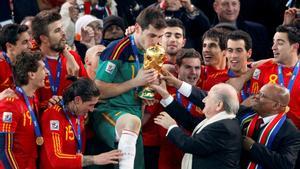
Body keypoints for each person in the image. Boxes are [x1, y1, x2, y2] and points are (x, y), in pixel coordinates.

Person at [90, 6, 166, 169]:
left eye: (160, 37)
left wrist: (147, 93)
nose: (156, 42)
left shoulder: (155, 51)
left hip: (135, 116)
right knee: (131, 123)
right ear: (137, 29)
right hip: (110, 111)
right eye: (152, 35)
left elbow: (147, 85)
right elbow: (98, 90)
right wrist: (135, 82)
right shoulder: (118, 49)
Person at [151, 81, 241, 169]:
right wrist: (166, 96)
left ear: (219, 105)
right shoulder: (221, 121)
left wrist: (172, 126)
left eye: (208, 97)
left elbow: (191, 145)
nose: (203, 100)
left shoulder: (224, 127)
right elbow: (189, 121)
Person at [39, 78, 122, 168]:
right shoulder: (53, 115)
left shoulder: (80, 113)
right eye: (90, 105)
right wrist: (95, 159)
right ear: (77, 100)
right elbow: (55, 159)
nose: (92, 109)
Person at [143, 48, 203, 169]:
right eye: (188, 67)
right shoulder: (162, 89)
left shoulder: (205, 97)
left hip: (194, 158)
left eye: (197, 68)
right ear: (177, 68)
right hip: (166, 158)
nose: (193, 72)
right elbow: (143, 120)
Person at [31, 10, 88, 112]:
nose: (63, 33)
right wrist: (47, 104)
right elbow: (27, 101)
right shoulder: (32, 63)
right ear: (44, 38)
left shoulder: (73, 57)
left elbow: (88, 93)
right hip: (42, 121)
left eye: (62, 28)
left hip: (72, 122)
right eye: (57, 30)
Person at [0, 51, 48, 168]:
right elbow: (4, 150)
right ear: (31, 74)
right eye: (43, 69)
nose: (47, 72)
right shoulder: (10, 104)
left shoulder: (33, 98)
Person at [239, 83, 300, 169]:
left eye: (262, 95)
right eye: (258, 93)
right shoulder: (245, 113)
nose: (256, 96)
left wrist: (253, 147)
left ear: (275, 105)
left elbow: (286, 164)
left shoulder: (291, 132)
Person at [250, 25, 300, 129]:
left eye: (280, 43)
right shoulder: (262, 69)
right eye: (274, 42)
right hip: (267, 131)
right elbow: (253, 102)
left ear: (294, 47)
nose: (273, 47)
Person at [0, 23, 32, 92]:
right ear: (9, 46)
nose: (31, 46)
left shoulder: (29, 64)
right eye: (25, 42)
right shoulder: (1, 68)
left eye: (30, 41)